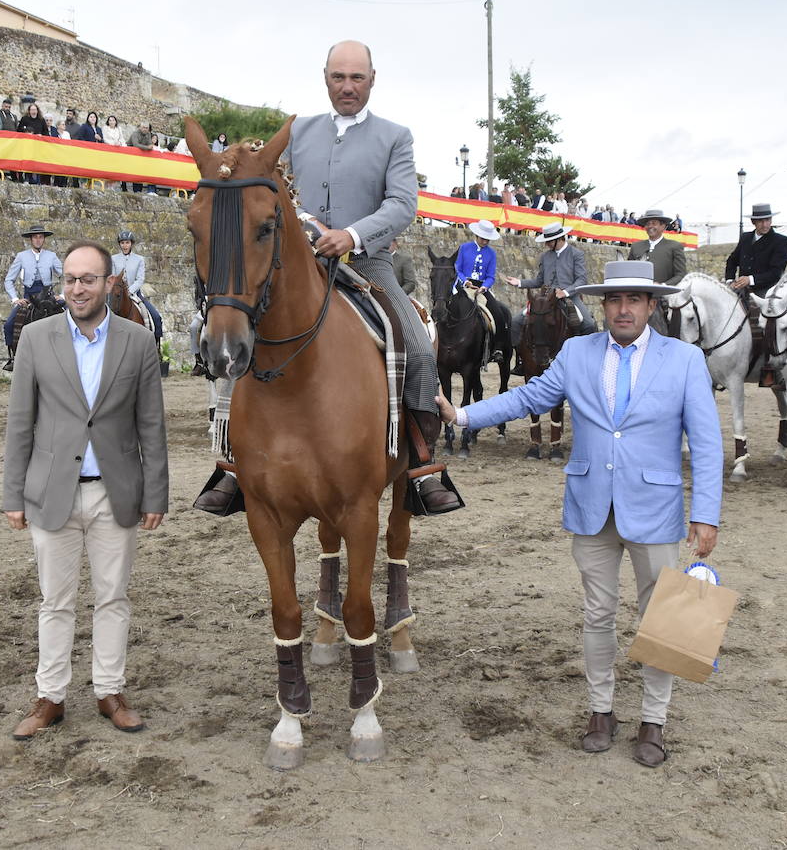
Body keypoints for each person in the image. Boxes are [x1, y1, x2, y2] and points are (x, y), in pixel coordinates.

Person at [437, 258, 723, 768]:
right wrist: (462, 414)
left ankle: (654, 718)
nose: (623, 309)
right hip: (591, 506)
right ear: (602, 305)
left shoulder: (684, 360)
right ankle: (600, 710)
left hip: (656, 510)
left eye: (634, 299)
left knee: (662, 618)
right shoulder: (576, 352)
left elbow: (705, 443)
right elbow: (528, 396)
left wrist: (706, 513)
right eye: (614, 300)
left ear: (651, 305)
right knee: (597, 614)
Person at [193, 39, 462, 517]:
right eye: (339, 77)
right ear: (325, 78)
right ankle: (233, 463)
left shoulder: (395, 137)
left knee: (419, 346)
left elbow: (403, 204)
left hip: (368, 265)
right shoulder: (298, 132)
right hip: (300, 265)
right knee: (229, 331)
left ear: (372, 80)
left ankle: (422, 463)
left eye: (357, 78)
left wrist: (353, 236)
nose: (348, 87)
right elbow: (275, 192)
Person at [2, 239, 168, 741]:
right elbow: (20, 423)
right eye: (70, 279)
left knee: (113, 597)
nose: (77, 288)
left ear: (109, 282)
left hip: (115, 493)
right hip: (51, 491)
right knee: (55, 601)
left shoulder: (138, 343)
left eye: (88, 279)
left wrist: (156, 494)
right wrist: (12, 494)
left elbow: (151, 426)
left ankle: (109, 691)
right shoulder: (34, 337)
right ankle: (50, 697)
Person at [505, 222, 593, 372]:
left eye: (548, 241)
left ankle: (585, 362)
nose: (546, 244)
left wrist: (565, 292)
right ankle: (521, 361)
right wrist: (519, 282)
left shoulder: (576, 254)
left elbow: (581, 280)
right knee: (516, 321)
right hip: (545, 299)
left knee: (588, 324)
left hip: (569, 296)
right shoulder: (545, 257)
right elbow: (539, 281)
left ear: (559, 239)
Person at [725, 203, 787, 387]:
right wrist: (730, 279)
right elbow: (732, 260)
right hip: (741, 287)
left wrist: (751, 280)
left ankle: (771, 369)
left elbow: (776, 272)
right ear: (754, 222)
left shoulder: (781, 241)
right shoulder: (745, 238)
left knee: (768, 324)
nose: (765, 224)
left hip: (766, 290)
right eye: (761, 220)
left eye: (767, 220)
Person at [2, 225, 65, 371]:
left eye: (40, 237)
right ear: (31, 239)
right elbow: (8, 280)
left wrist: (61, 295)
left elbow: (66, 276)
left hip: (48, 295)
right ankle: (14, 358)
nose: (38, 239)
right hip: (28, 297)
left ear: (44, 239)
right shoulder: (21, 256)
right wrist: (14, 299)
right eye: (35, 237)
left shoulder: (51, 256)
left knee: (73, 316)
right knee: (9, 325)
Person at [111, 230, 163, 341]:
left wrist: (129, 291)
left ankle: (156, 347)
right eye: (122, 243)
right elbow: (113, 278)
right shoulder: (114, 259)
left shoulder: (139, 259)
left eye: (127, 242)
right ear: (119, 244)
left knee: (156, 317)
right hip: (117, 295)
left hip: (135, 294)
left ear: (131, 244)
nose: (125, 245)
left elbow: (140, 279)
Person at [628, 209, 687, 286]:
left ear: (663, 226)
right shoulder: (636, 246)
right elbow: (628, 271)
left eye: (654, 223)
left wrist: (663, 286)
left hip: (665, 295)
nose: (650, 226)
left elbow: (681, 275)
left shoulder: (674, 246)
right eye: (648, 224)